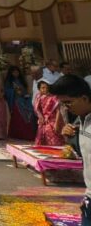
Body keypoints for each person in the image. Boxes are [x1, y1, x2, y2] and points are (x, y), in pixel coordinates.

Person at [48, 76, 91, 226]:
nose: (66, 108)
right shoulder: (80, 121)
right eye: (63, 104)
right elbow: (85, 154)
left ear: (84, 98)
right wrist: (72, 138)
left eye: (68, 102)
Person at [5, 66, 37, 141]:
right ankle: (18, 134)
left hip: (25, 100)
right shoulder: (9, 82)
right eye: (14, 72)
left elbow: (25, 90)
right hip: (16, 101)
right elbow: (7, 91)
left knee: (29, 116)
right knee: (19, 118)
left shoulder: (22, 80)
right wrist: (14, 91)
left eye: (17, 72)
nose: (16, 73)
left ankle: (27, 134)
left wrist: (25, 94)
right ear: (11, 73)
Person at [34, 79, 66, 146]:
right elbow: (37, 109)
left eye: (47, 87)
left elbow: (58, 111)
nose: (45, 89)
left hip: (52, 122)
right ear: (39, 89)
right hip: (43, 123)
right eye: (43, 88)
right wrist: (40, 117)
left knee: (54, 142)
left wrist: (57, 124)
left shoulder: (54, 98)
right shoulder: (38, 97)